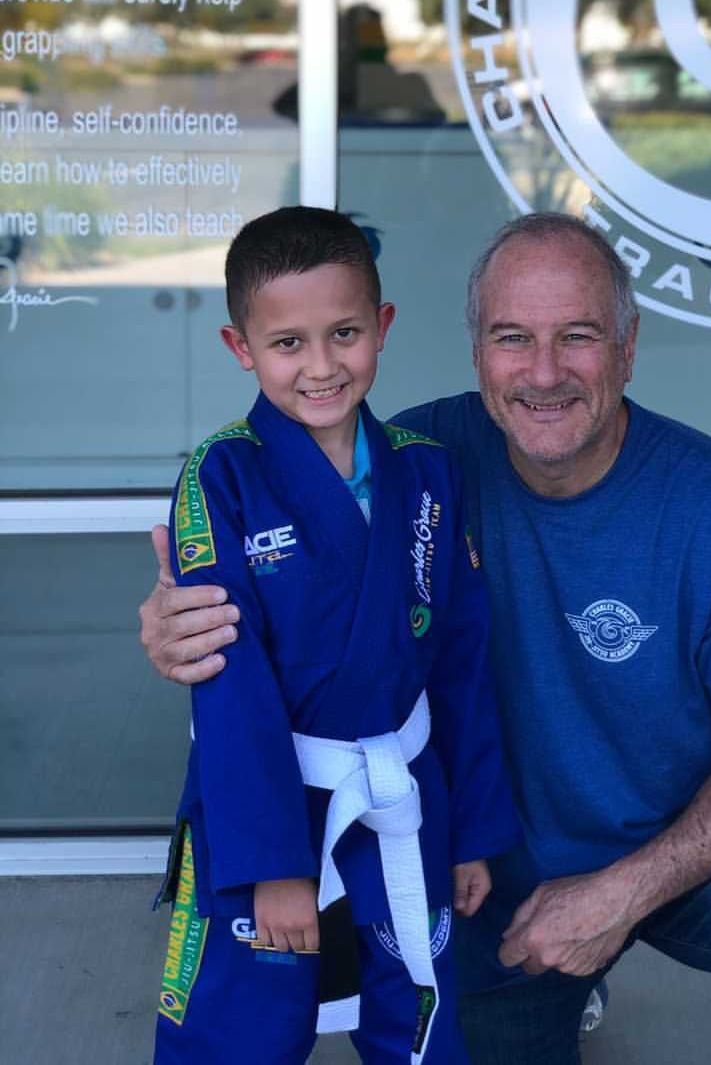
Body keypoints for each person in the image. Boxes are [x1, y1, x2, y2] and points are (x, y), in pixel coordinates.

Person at [141, 212, 711, 1064]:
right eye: (513, 338)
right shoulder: (418, 461)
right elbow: (261, 598)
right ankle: (559, 986)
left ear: (628, 346)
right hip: (491, 874)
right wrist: (177, 623)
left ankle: (596, 949)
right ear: (476, 352)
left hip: (673, 839)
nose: (543, 373)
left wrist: (618, 895)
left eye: (577, 336)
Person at [151, 206, 520, 1064]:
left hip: (404, 792)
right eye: (287, 344)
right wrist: (274, 863)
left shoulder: (428, 470)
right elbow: (227, 683)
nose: (321, 367)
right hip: (270, 809)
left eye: (345, 333)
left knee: (418, 1015)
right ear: (241, 347)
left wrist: (472, 832)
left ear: (382, 327)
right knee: (237, 1025)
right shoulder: (223, 475)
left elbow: (461, 662)